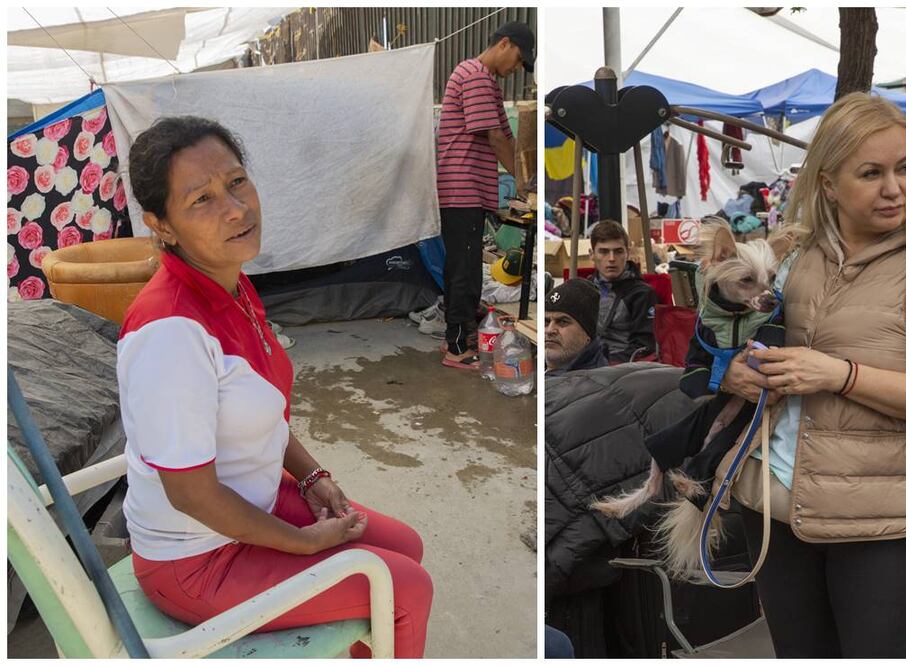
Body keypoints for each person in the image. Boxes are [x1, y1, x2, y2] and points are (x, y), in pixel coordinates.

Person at [119, 117, 432, 658]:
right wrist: (302, 542)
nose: (236, 209)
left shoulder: (233, 283)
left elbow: (262, 407)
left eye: (236, 182)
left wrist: (310, 475)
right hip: (196, 558)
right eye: (201, 200)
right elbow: (190, 493)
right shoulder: (170, 331)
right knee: (406, 589)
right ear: (160, 224)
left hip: (254, 502)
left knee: (405, 546)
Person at [718, 93, 906, 658]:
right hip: (774, 501)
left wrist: (839, 374)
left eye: (905, 168)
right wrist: (738, 371)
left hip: (876, 515)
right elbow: (757, 346)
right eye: (872, 173)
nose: (895, 188)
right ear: (829, 183)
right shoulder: (795, 257)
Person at [436, 21, 535, 370]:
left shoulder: (487, 83)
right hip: (460, 189)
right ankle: (457, 347)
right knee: (463, 270)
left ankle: (459, 337)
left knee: (466, 269)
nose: (517, 69)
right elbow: (495, 137)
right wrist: (523, 186)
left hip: (470, 191)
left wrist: (523, 171)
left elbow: (509, 139)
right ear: (504, 44)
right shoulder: (474, 75)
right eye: (519, 60)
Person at [587, 220, 658, 363]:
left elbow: (644, 346)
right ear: (592, 254)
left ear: (628, 253)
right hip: (585, 361)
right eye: (604, 251)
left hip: (622, 367)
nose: (611, 259)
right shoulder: (584, 288)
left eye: (618, 251)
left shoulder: (641, 293)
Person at [545, 279, 607, 375]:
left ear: (587, 335)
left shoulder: (587, 384)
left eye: (563, 322)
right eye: (546, 321)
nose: (549, 330)